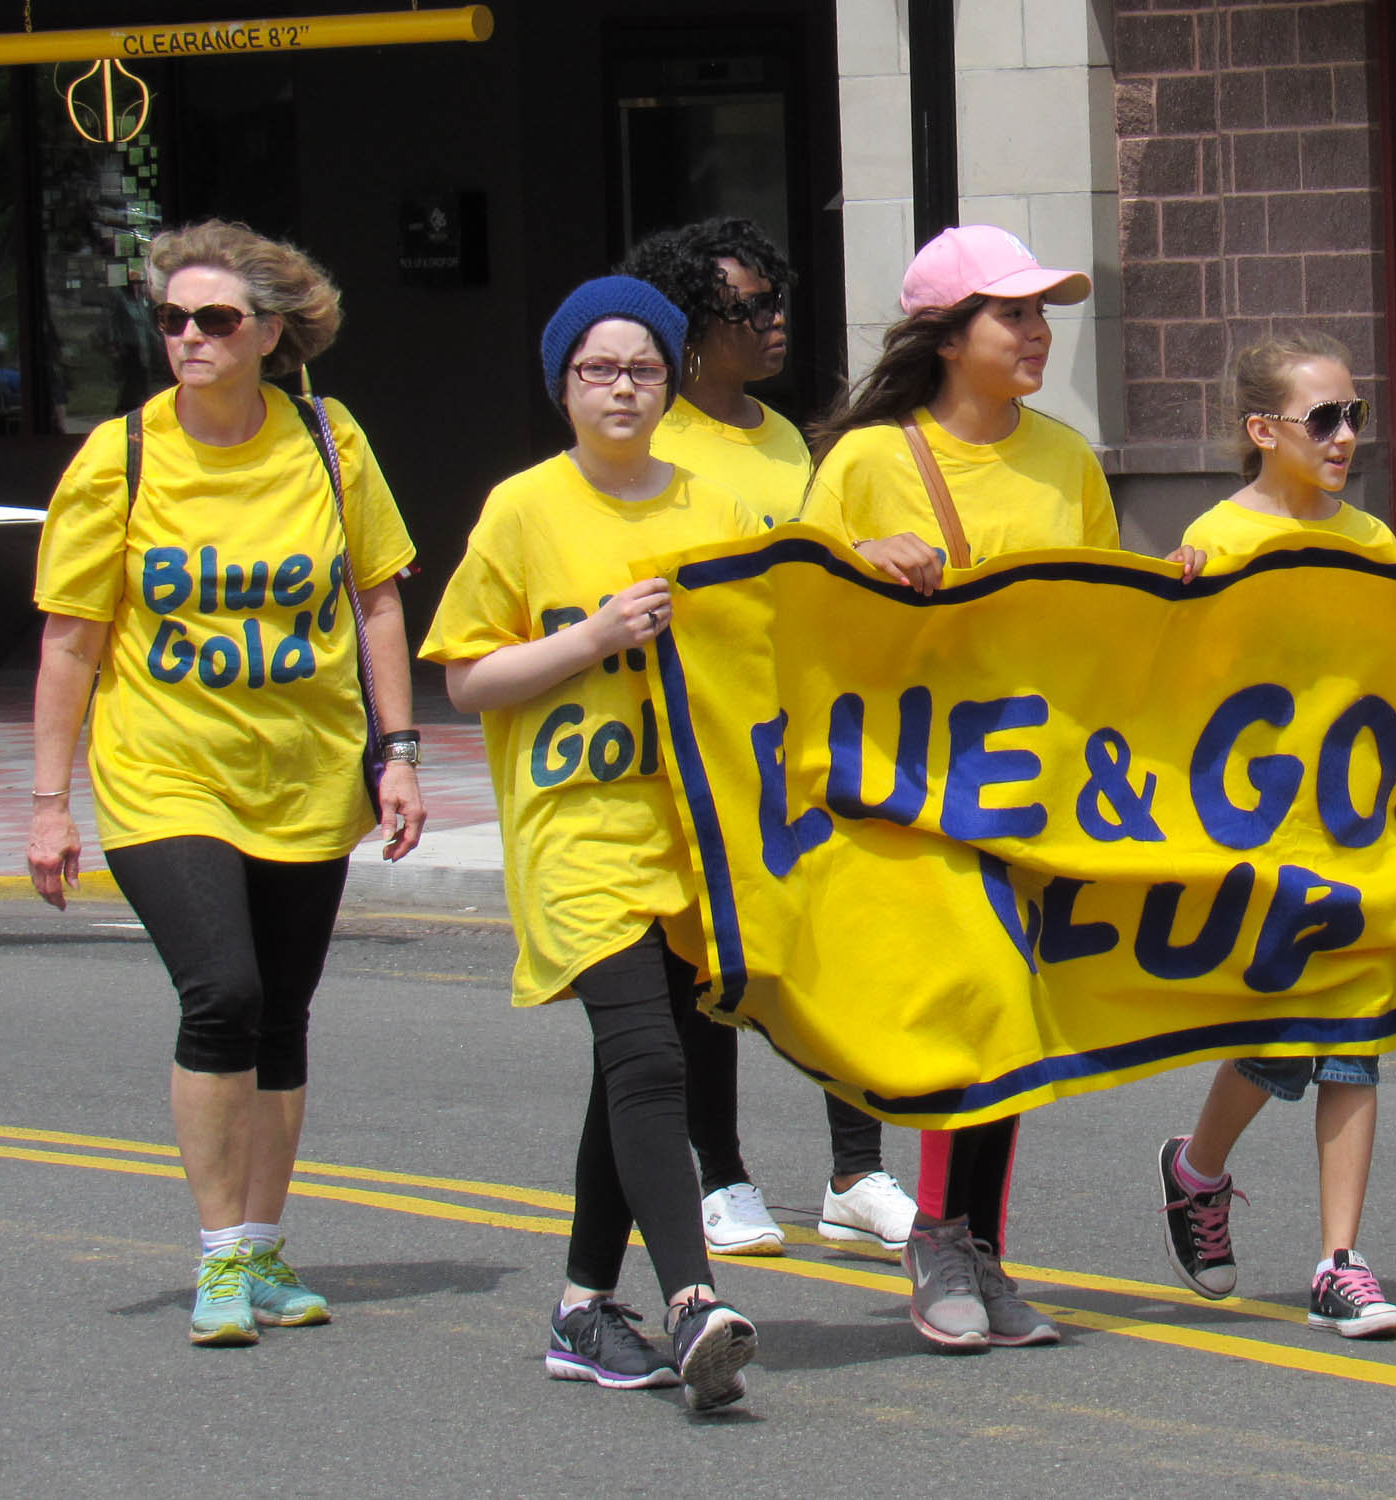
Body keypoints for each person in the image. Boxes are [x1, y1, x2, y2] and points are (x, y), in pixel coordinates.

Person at [26, 220, 426, 1347]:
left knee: (283, 1015)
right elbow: (70, 638)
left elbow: (377, 600)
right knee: (225, 995)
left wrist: (398, 753)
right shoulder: (122, 457)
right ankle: (216, 1258)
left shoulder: (328, 441)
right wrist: (50, 803)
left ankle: (261, 1247)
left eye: (214, 319)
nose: (188, 338)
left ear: (270, 335)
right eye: (171, 319)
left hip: (304, 770)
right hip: (165, 770)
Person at [803, 223, 1197, 1350]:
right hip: (912, 789)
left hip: (1036, 785)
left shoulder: (1066, 459)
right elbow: (793, 623)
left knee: (1014, 1019)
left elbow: (1097, 625)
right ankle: (940, 1238)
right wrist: (857, 564)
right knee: (969, 1002)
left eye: (1040, 314)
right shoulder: (868, 463)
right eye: (1011, 314)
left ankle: (976, 1246)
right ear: (946, 336)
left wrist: (1167, 592)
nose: (1036, 334)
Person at [420, 275, 760, 1409]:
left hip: (691, 833)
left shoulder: (718, 509)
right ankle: (693, 1300)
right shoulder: (523, 509)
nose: (622, 388)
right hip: (575, 827)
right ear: (562, 384)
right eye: (597, 370)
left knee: (639, 1065)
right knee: (651, 1061)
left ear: (671, 384)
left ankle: (580, 1309)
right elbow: (470, 678)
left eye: (643, 369)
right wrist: (596, 636)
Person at [624, 217, 918, 1257]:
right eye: (749, 307)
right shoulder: (656, 441)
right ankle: (720, 1175)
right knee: (708, 962)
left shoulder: (786, 435)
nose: (775, 320)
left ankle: (854, 1172)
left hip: (798, 732)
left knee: (830, 947)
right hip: (702, 735)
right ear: (690, 326)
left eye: (776, 298)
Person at [1154, 333, 1396, 1340]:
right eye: (1324, 419)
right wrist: (1167, 605)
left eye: (1355, 416)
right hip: (1256, 838)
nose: (1346, 436)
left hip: (1355, 829)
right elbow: (1172, 688)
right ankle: (1195, 1170)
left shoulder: (1374, 540)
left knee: (1350, 1038)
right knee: (1277, 1044)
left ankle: (1339, 1261)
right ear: (1263, 430)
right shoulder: (1215, 538)